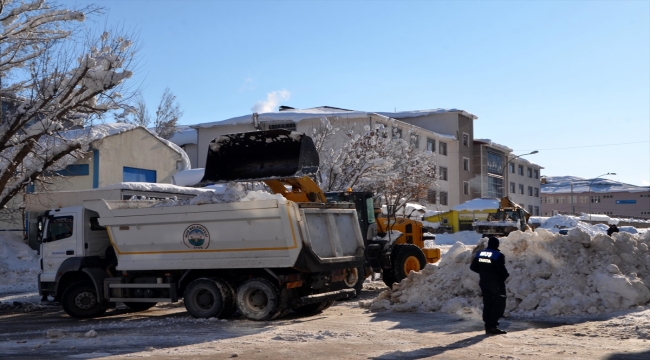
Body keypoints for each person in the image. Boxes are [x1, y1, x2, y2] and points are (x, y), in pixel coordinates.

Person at [470, 236, 509, 335]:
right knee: (499, 305)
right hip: (496, 284)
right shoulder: (498, 255)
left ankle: (488, 326)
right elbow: (501, 270)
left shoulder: (480, 253)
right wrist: (504, 276)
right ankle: (493, 326)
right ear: (497, 244)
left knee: (488, 304)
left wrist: (483, 273)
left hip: (484, 282)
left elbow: (473, 267)